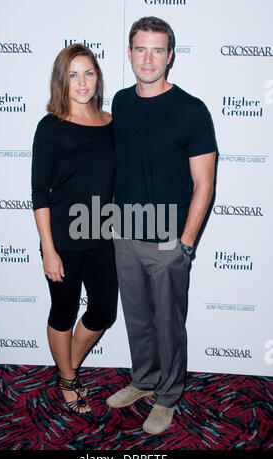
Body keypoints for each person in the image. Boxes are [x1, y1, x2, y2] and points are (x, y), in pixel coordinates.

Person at [106, 17, 217, 434]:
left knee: (169, 323)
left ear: (171, 56)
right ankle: (144, 380)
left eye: (157, 50)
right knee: (136, 318)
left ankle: (167, 396)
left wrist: (185, 243)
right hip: (124, 234)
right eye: (140, 49)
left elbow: (204, 184)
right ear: (130, 53)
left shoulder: (191, 110)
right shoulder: (120, 101)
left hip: (169, 240)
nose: (148, 58)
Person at [31, 44, 118, 415]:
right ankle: (68, 381)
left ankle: (67, 369)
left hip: (103, 238)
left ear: (98, 77)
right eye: (73, 74)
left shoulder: (112, 122)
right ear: (61, 81)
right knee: (63, 311)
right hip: (63, 241)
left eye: (88, 73)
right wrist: (48, 249)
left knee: (103, 311)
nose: (82, 82)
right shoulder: (50, 128)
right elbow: (39, 193)